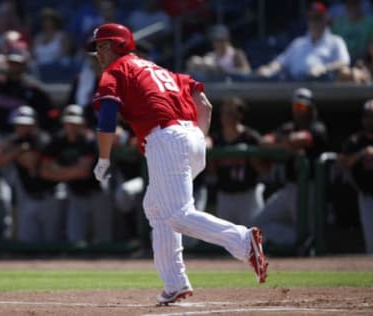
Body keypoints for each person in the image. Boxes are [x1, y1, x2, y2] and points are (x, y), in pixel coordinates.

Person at [88, 23, 268, 305]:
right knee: (155, 208)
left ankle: (244, 242)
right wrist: (195, 137)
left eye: (103, 46)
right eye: (97, 48)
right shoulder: (160, 69)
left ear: (121, 45)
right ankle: (174, 283)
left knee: (177, 214)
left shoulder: (116, 70)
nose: (98, 54)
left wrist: (103, 157)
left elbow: (107, 116)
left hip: (164, 138)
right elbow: (204, 104)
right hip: (193, 135)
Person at [256, 88, 327, 247]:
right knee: (258, 226)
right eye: (295, 107)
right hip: (288, 188)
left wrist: (282, 144)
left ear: (311, 109)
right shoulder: (288, 127)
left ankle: (307, 245)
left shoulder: (318, 128)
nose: (298, 112)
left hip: (309, 189)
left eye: (301, 107)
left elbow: (299, 140)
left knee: (311, 230)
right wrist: (285, 145)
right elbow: (263, 142)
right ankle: (299, 242)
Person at [40, 104, 113, 245]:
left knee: (103, 240)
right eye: (69, 123)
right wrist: (70, 172)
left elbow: (83, 172)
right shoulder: (58, 141)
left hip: (98, 192)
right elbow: (44, 172)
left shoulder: (90, 140)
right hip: (76, 194)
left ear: (82, 124)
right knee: (75, 240)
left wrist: (57, 171)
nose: (72, 127)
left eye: (75, 123)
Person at [0, 105, 61, 243]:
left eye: (25, 124)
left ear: (34, 124)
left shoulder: (44, 139)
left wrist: (15, 153)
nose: (21, 128)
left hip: (50, 196)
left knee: (52, 242)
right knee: (27, 242)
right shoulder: (15, 141)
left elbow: (32, 162)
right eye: (19, 124)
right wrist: (18, 151)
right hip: (28, 196)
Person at [257, 1, 350, 81]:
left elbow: (344, 62)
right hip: (293, 86)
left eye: (317, 18)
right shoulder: (298, 43)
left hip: (323, 90)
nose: (313, 22)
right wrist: (269, 69)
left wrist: (324, 68)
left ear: (325, 19)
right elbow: (280, 62)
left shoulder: (336, 41)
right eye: (310, 18)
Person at [210, 97, 265, 226]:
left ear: (239, 115)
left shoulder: (250, 137)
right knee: (226, 238)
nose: (226, 117)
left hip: (248, 195)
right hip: (225, 195)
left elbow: (265, 170)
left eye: (231, 113)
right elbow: (211, 172)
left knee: (253, 236)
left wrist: (251, 157)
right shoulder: (216, 139)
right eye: (224, 113)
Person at [339, 100, 373, 253]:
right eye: (367, 116)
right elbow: (342, 162)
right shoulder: (356, 141)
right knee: (371, 243)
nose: (370, 120)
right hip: (366, 196)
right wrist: (361, 154)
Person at [186, 24, 251, 80]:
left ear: (227, 40)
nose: (218, 44)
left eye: (221, 40)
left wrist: (222, 70)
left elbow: (247, 72)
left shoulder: (236, 54)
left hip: (235, 90)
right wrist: (198, 64)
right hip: (216, 91)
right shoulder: (211, 55)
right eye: (215, 41)